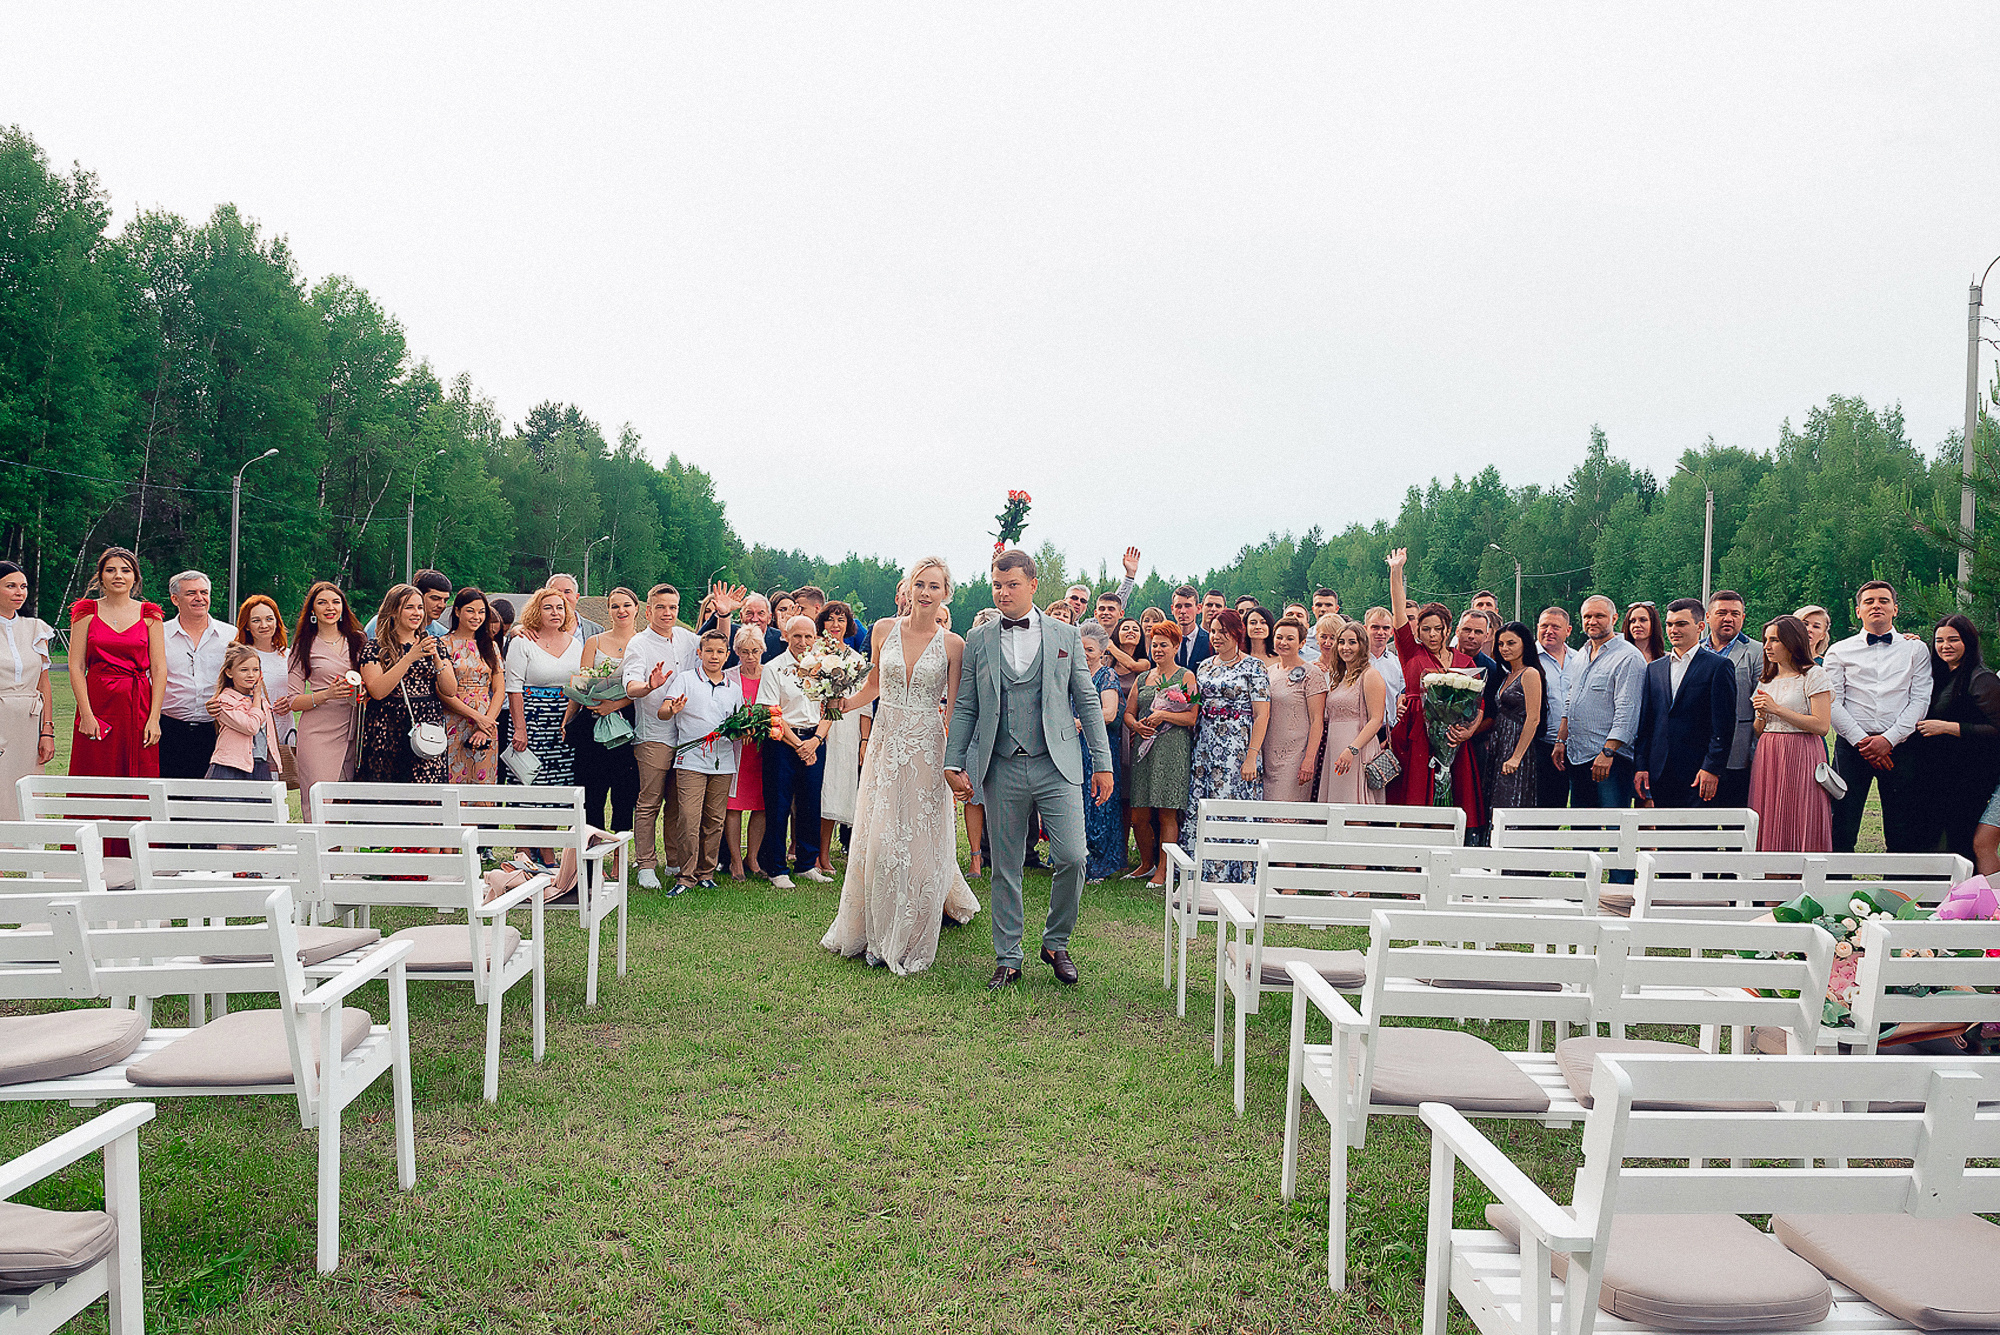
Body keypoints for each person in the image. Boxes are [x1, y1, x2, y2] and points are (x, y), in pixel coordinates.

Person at [944, 548, 1112, 989]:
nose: (1003, 593)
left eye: (1012, 585)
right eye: (997, 586)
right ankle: (1008, 957)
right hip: (1001, 765)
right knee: (1005, 866)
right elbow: (966, 705)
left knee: (1073, 857)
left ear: (1033, 585)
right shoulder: (978, 638)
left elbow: (1087, 700)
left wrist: (1103, 762)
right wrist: (953, 760)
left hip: (1057, 763)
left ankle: (1056, 942)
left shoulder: (1065, 634)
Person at [821, 557, 980, 974]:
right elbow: (873, 685)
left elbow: (955, 710)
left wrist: (956, 763)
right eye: (919, 584)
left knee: (919, 842)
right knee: (880, 838)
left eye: (934, 586)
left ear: (946, 593)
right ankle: (872, 931)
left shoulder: (954, 645)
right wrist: (840, 705)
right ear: (908, 588)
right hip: (886, 743)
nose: (925, 593)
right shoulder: (882, 630)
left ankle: (909, 933)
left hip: (928, 748)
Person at [1825, 581, 1931, 853]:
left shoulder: (1916, 649)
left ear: (1895, 609)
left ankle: (1897, 883)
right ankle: (1838, 881)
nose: (1876, 606)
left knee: (1901, 828)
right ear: (1858, 611)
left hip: (1901, 747)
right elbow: (1833, 702)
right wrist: (1862, 741)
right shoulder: (1838, 650)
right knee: (1842, 826)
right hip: (1852, 747)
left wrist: (1889, 740)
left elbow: (1920, 699)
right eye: (1869, 601)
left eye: (1883, 600)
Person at [1384, 547, 1485, 825]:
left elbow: (1479, 705)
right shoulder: (1411, 652)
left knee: (1450, 803)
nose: (1431, 634)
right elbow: (1398, 612)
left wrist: (1468, 732)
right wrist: (1396, 571)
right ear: (1417, 631)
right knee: (1414, 800)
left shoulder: (1465, 661)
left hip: (1452, 737)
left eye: (1437, 629)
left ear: (1447, 630)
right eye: (1425, 629)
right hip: (1416, 733)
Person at [68, 547, 165, 788]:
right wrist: (86, 715)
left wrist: (154, 719)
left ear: (135, 577)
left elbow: (159, 669)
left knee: (139, 772)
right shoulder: (85, 613)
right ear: (101, 576)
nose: (118, 576)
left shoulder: (150, 615)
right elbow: (76, 666)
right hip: (97, 703)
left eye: (126, 570)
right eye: (110, 570)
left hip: (138, 704)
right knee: (94, 767)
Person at [623, 583, 700, 889]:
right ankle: (645, 864)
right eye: (661, 607)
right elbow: (631, 687)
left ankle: (674, 861)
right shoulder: (639, 644)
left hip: (687, 734)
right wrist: (650, 686)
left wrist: (723, 615)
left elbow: (715, 649)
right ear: (648, 610)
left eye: (673, 607)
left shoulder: (685, 637)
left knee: (677, 803)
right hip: (653, 735)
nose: (667, 613)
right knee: (649, 802)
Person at [1186, 609, 1270, 883]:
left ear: (1237, 633)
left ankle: (1235, 872)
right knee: (1205, 803)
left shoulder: (1254, 667)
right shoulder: (1204, 666)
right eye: (1213, 631)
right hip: (1205, 744)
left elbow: (1262, 715)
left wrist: (1251, 756)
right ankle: (1206, 871)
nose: (1217, 636)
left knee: (1231, 803)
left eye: (1223, 631)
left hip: (1237, 746)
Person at [657, 629, 742, 892]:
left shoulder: (734, 689)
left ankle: (706, 872)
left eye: (719, 652)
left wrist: (745, 730)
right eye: (709, 651)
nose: (714, 656)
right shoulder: (685, 679)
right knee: (688, 818)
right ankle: (685, 876)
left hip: (722, 761)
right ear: (699, 653)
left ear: (727, 655)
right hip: (691, 760)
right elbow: (663, 711)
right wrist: (671, 709)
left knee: (714, 819)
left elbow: (738, 726)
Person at [1909, 615, 2000, 862]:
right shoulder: (1936, 675)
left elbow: (1996, 729)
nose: (1945, 646)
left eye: (1953, 640)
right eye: (1939, 641)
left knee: (1959, 841)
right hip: (1935, 774)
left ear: (1968, 641)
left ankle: (1970, 887)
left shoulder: (1982, 679)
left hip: (1968, 777)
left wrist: (1949, 727)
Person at [1633, 599, 1736, 808]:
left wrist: (1711, 768)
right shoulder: (1655, 669)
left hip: (1698, 773)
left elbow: (1723, 725)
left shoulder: (1718, 666)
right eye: (1669, 624)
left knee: (1696, 829)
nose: (1674, 630)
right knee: (1664, 828)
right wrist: (1641, 765)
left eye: (1681, 624)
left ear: (1700, 626)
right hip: (1660, 771)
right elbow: (1647, 723)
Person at [758, 615, 832, 889]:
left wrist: (815, 740)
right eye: (797, 636)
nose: (802, 642)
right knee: (778, 805)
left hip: (815, 740)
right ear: (786, 636)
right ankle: (776, 868)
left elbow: (832, 709)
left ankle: (806, 864)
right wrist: (799, 745)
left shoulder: (824, 668)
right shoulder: (774, 668)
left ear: (816, 638)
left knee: (810, 803)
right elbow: (770, 711)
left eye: (808, 636)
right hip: (782, 743)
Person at [1749, 615, 1833, 852]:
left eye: (1774, 640)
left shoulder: (1813, 675)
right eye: (1766, 640)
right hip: (1768, 753)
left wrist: (1777, 709)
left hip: (1801, 752)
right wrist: (1762, 715)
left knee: (1799, 811)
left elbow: (1821, 725)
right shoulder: (1767, 679)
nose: (1767, 646)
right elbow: (1758, 730)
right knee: (1769, 811)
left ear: (1792, 642)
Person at [358, 582, 458, 783]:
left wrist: (437, 659)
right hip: (386, 727)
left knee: (426, 791)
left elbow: (450, 690)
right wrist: (409, 657)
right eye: (409, 607)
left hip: (427, 727)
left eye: (420, 607)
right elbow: (377, 691)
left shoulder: (435, 643)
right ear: (393, 611)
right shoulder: (375, 647)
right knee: (387, 791)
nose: (417, 613)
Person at [1555, 595, 1645, 811]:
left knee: (1615, 825)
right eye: (1587, 616)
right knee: (1582, 827)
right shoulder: (1581, 654)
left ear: (1614, 618)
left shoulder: (1628, 657)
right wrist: (1560, 740)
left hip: (1611, 760)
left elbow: (1628, 711)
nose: (1592, 621)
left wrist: (1608, 752)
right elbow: (1570, 701)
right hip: (1578, 756)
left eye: (1599, 616)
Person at [1125, 622, 1198, 886]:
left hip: (1172, 750)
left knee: (1167, 812)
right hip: (1144, 749)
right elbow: (1129, 712)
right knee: (1138, 815)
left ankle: (1164, 870)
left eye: (1163, 645)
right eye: (1154, 644)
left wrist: (1164, 715)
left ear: (1176, 647)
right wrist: (1136, 725)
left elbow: (1192, 717)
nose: (1158, 649)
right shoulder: (1143, 678)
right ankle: (1146, 863)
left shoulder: (1186, 677)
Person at [567, 587, 640, 830]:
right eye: (615, 606)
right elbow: (582, 683)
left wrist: (616, 704)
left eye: (626, 605)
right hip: (594, 719)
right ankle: (591, 845)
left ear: (637, 609)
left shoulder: (643, 643)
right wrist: (568, 718)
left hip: (629, 723)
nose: (621, 611)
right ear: (608, 610)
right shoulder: (594, 642)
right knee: (592, 792)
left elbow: (647, 687)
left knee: (624, 792)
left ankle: (620, 848)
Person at [286, 581, 365, 804]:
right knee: (318, 800)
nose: (330, 608)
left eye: (335, 602)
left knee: (344, 802)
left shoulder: (358, 640)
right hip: (318, 733)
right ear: (312, 610)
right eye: (322, 603)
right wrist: (326, 695)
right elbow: (293, 701)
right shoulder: (303, 646)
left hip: (354, 729)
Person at [503, 587, 583, 789]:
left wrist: (570, 721)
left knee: (561, 783)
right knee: (530, 780)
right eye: (548, 608)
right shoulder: (522, 642)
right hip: (531, 721)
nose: (555, 613)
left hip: (565, 722)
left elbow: (579, 685)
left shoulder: (575, 645)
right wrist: (520, 729)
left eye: (560, 608)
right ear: (536, 612)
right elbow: (513, 688)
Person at [158, 570, 235, 779]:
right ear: (175, 599)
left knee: (213, 795)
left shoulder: (230, 635)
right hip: (170, 730)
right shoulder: (159, 634)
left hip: (216, 730)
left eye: (204, 592)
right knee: (170, 794)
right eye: (191, 593)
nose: (199, 598)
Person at [815, 601, 867, 874]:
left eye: (841, 620)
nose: (835, 625)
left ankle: (824, 854)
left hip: (846, 729)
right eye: (830, 619)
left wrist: (864, 741)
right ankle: (804, 850)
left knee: (835, 790)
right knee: (814, 789)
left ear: (849, 625)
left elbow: (866, 705)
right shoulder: (812, 654)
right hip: (815, 727)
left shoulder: (857, 660)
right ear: (822, 623)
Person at [0, 562, 55, 818]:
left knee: (26, 794)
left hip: (30, 724)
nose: (19, 592)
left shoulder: (36, 628)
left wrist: (47, 732)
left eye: (23, 586)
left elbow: (44, 684)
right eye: (10, 586)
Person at [1474, 620, 1544, 813]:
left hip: (1517, 744)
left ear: (1525, 644)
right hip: (1499, 744)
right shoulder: (1507, 675)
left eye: (1511, 643)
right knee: (1494, 798)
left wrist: (1516, 757)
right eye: (1501, 644)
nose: (1505, 648)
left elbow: (1533, 718)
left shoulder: (1530, 674)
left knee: (1510, 798)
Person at [438, 587, 505, 785]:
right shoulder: (443, 644)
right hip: (453, 717)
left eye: (481, 612)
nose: (476, 617)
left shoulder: (490, 646)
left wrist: (486, 724)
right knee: (453, 777)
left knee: (482, 779)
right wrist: (477, 717)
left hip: (486, 719)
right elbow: (442, 691)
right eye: (470, 611)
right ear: (457, 611)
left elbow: (499, 690)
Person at [1706, 590, 1764, 808]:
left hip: (1739, 755)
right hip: (1700, 755)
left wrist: (1754, 753)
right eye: (1721, 613)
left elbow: (1761, 708)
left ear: (1743, 617)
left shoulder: (1758, 652)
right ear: (1708, 616)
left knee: (1737, 822)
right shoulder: (1696, 650)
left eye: (1735, 614)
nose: (1728, 618)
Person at [1078, 621, 1126, 882]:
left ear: (1102, 652)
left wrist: (1079, 722)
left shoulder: (1107, 675)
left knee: (1098, 801)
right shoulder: (1071, 673)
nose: (1085, 654)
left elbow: (1109, 712)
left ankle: (1099, 862)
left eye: (1090, 650)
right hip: (1073, 747)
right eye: (1081, 648)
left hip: (1097, 747)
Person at [1318, 622, 1386, 805]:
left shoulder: (1370, 675)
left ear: (1362, 645)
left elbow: (1376, 719)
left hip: (1357, 748)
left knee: (1352, 802)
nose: (1345, 647)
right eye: (1341, 642)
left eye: (1352, 642)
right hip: (1334, 747)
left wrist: (1352, 749)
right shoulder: (1339, 677)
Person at [1261, 617, 1326, 803]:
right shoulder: (1268, 672)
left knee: (1285, 811)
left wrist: (1309, 759)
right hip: (1268, 754)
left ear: (1302, 643)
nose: (1283, 642)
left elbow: (1317, 720)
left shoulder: (1312, 674)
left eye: (1290, 638)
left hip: (1295, 756)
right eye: (1279, 637)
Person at [205, 643, 284, 782]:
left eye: (255, 670)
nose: (251, 675)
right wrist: (257, 696)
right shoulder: (224, 701)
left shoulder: (262, 702)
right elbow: (251, 727)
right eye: (244, 670)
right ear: (229, 672)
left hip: (259, 764)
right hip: (231, 765)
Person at [232, 596, 297, 765]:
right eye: (256, 620)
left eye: (269, 619)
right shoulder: (239, 656)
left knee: (282, 777)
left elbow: (298, 691)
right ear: (247, 625)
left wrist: (291, 702)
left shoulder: (289, 655)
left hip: (283, 730)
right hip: (252, 732)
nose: (264, 625)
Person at [725, 627, 768, 880]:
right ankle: (735, 861)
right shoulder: (729, 676)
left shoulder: (770, 674)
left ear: (762, 650)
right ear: (736, 652)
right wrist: (738, 729)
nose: (750, 656)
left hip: (763, 750)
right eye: (744, 652)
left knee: (761, 805)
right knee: (734, 805)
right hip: (737, 750)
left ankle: (752, 857)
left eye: (755, 651)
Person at [1534, 607, 1576, 808]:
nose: (1549, 631)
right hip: (1540, 746)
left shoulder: (1579, 659)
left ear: (1568, 630)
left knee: (1576, 806)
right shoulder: (1527, 659)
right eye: (1544, 626)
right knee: (1543, 807)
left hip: (1576, 747)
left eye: (1555, 627)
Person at [364, 568, 451, 637]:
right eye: (435, 598)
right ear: (419, 595)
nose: (441, 605)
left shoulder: (443, 634)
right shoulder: (380, 624)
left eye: (445, 600)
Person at [546, 572, 604, 640]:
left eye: (567, 592)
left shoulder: (596, 631)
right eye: (556, 592)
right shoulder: (537, 631)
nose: (562, 596)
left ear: (577, 597)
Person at [1169, 584, 1212, 670]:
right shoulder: (1164, 639)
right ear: (1172, 609)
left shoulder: (1209, 641)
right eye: (1178, 606)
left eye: (1188, 606)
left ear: (1198, 608)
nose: (1183, 611)